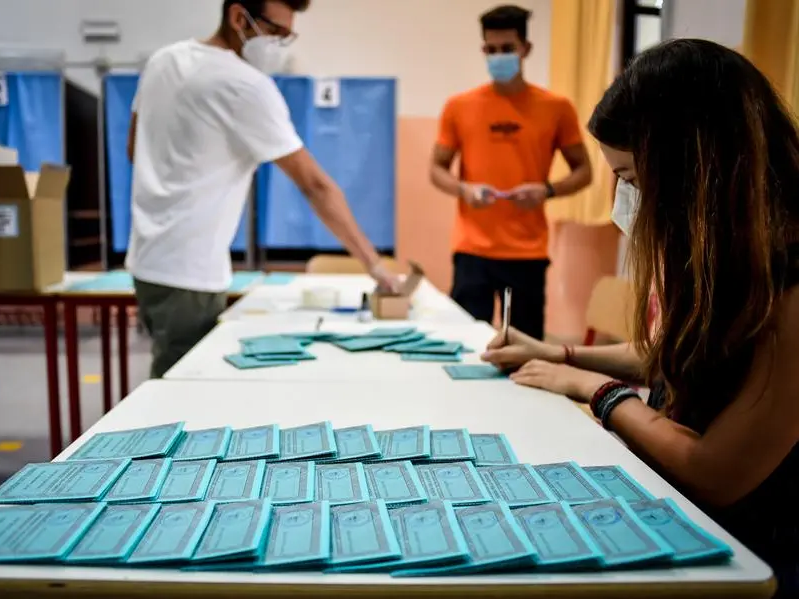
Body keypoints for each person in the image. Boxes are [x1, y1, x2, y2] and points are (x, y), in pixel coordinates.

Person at [483, 39, 799, 595]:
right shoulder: (727, 249)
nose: (624, 199)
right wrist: (555, 353)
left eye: (630, 178)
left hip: (755, 555)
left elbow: (717, 473)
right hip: (690, 515)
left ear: (694, 167)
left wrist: (599, 391)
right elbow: (674, 354)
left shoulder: (789, 281)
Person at [125, 0, 400, 378]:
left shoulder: (163, 60)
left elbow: (132, 148)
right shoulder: (244, 84)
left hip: (146, 262)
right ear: (239, 17)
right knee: (182, 394)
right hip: (191, 272)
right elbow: (314, 185)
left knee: (170, 373)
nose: (280, 45)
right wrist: (375, 265)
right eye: (276, 33)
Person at [429, 4, 592, 339]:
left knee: (525, 351)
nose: (498, 56)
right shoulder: (459, 107)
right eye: (491, 50)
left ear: (525, 49)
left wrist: (546, 191)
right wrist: (464, 190)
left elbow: (584, 171)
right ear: (483, 50)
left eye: (507, 49)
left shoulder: (556, 109)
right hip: (472, 251)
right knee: (463, 344)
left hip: (527, 253)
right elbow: (436, 169)